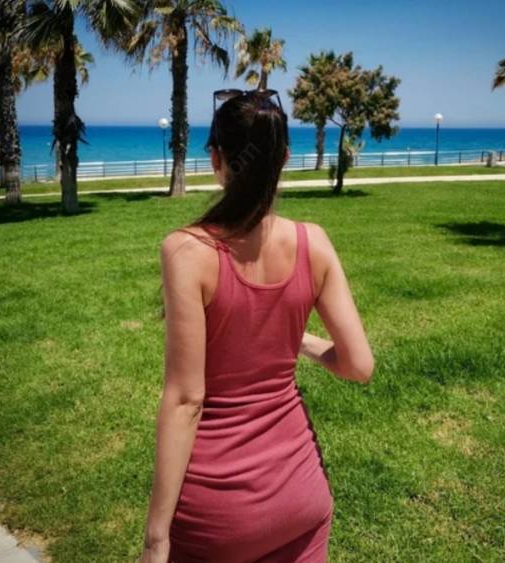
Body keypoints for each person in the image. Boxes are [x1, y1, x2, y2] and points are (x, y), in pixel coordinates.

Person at [137, 88, 374, 563]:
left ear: (215, 158)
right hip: (302, 495)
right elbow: (359, 366)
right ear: (284, 158)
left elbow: (186, 399)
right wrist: (301, 341)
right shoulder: (314, 243)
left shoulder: (187, 252)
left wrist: (155, 539)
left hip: (218, 514)